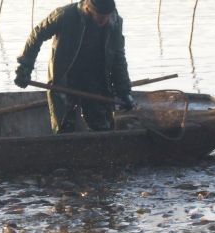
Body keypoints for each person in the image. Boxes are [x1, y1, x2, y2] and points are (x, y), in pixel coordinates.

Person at [13, 0, 134, 134]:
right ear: (88, 9)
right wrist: (25, 67)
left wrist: (124, 91)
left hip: (96, 79)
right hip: (65, 77)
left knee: (103, 128)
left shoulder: (115, 21)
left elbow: (118, 57)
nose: (105, 21)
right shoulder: (65, 15)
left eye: (107, 17)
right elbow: (37, 34)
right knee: (64, 129)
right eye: (100, 17)